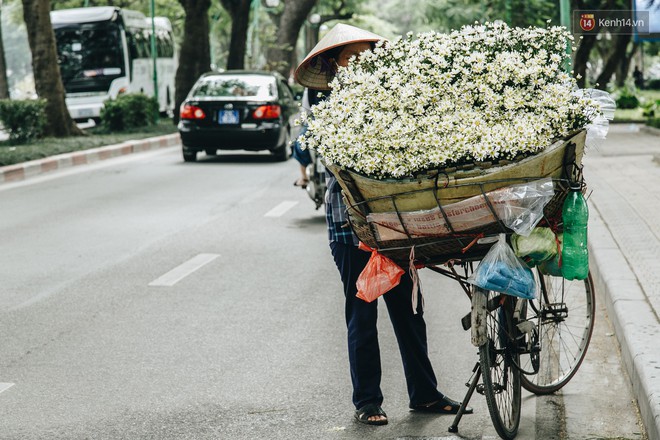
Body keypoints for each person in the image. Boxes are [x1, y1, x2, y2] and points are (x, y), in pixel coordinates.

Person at [294, 23, 473, 426]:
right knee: (362, 313)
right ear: (333, 65)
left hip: (395, 223)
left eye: (365, 56)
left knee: (409, 311)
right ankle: (368, 401)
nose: (359, 64)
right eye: (350, 57)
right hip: (350, 227)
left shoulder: (390, 102)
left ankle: (424, 393)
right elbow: (316, 152)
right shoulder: (325, 109)